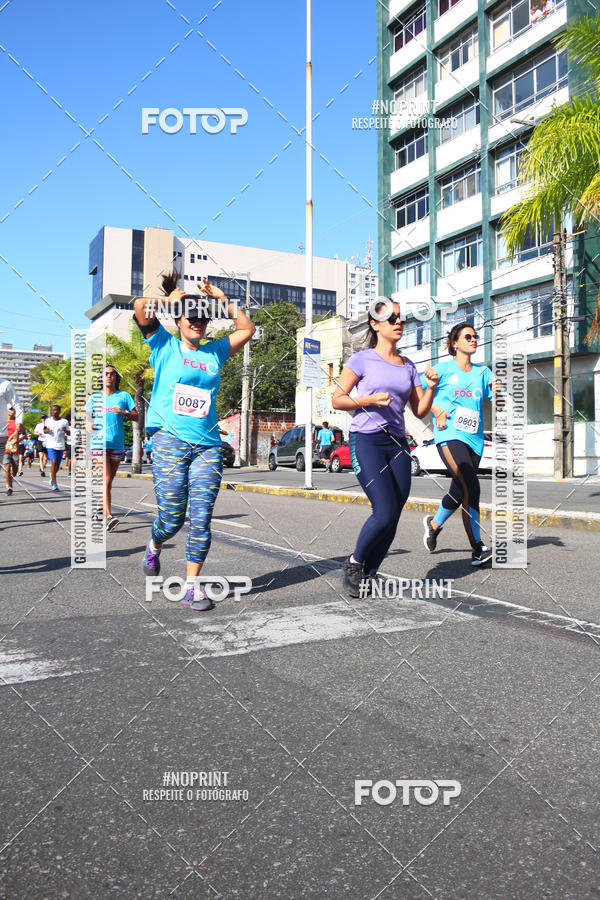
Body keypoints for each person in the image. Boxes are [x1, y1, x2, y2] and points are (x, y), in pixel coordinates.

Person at [133, 272, 255, 611]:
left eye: (204, 317)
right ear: (179, 320)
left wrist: (221, 299)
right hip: (169, 440)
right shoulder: (163, 344)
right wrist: (166, 301)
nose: (199, 322)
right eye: (193, 316)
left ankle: (192, 587)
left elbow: (247, 329)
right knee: (172, 518)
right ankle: (155, 543)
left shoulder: (215, 352)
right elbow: (141, 308)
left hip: (207, 446)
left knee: (201, 518)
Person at [332, 299, 439, 597]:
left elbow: (419, 411)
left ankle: (371, 571)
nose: (398, 322)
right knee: (384, 509)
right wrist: (369, 400)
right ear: (375, 325)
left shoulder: (408, 365)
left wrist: (431, 387)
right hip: (366, 440)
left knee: (395, 511)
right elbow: (337, 399)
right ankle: (354, 564)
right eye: (391, 318)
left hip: (397, 444)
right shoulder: (362, 360)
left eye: (400, 317)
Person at [422, 321, 496, 566]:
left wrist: (501, 393)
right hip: (449, 436)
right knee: (471, 488)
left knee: (458, 490)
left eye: (475, 336)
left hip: (475, 440)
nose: (473, 339)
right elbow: (417, 400)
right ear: (455, 343)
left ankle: (433, 525)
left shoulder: (483, 372)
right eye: (467, 337)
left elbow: (499, 401)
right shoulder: (440, 370)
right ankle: (478, 548)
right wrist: (436, 410)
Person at [85, 366, 137, 531]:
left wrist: (123, 412)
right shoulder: (94, 398)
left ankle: (100, 509)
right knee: (106, 478)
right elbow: (87, 420)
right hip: (99, 443)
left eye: (111, 374)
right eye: (105, 374)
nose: (108, 376)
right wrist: (89, 426)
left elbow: (136, 416)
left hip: (117, 444)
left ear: (116, 377)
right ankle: (108, 516)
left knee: (108, 481)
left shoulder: (124, 396)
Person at [43, 405, 70, 491]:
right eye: (53, 410)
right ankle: (54, 483)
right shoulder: (48, 420)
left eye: (56, 410)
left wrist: (65, 430)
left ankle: (52, 476)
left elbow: (69, 433)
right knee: (53, 462)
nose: (54, 411)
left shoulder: (64, 421)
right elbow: (44, 430)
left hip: (60, 445)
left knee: (57, 466)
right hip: (50, 445)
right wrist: (46, 431)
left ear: (59, 411)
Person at [3, 407, 25, 496]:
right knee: (7, 467)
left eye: (13, 409)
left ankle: (9, 479)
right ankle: (9, 487)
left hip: (15, 449)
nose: (12, 411)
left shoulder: (18, 423)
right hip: (4, 449)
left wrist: (18, 441)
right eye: (10, 409)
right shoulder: (2, 422)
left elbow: (25, 435)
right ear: (6, 411)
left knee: (15, 470)